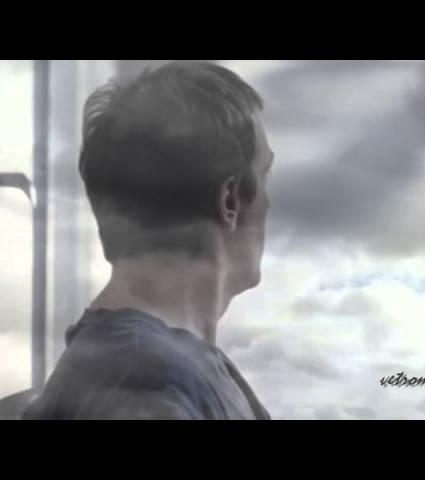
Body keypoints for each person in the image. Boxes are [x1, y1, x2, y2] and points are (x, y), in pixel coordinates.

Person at [23, 61, 274, 420]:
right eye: (264, 176)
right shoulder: (144, 380)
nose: (269, 202)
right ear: (230, 199)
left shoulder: (173, 367)